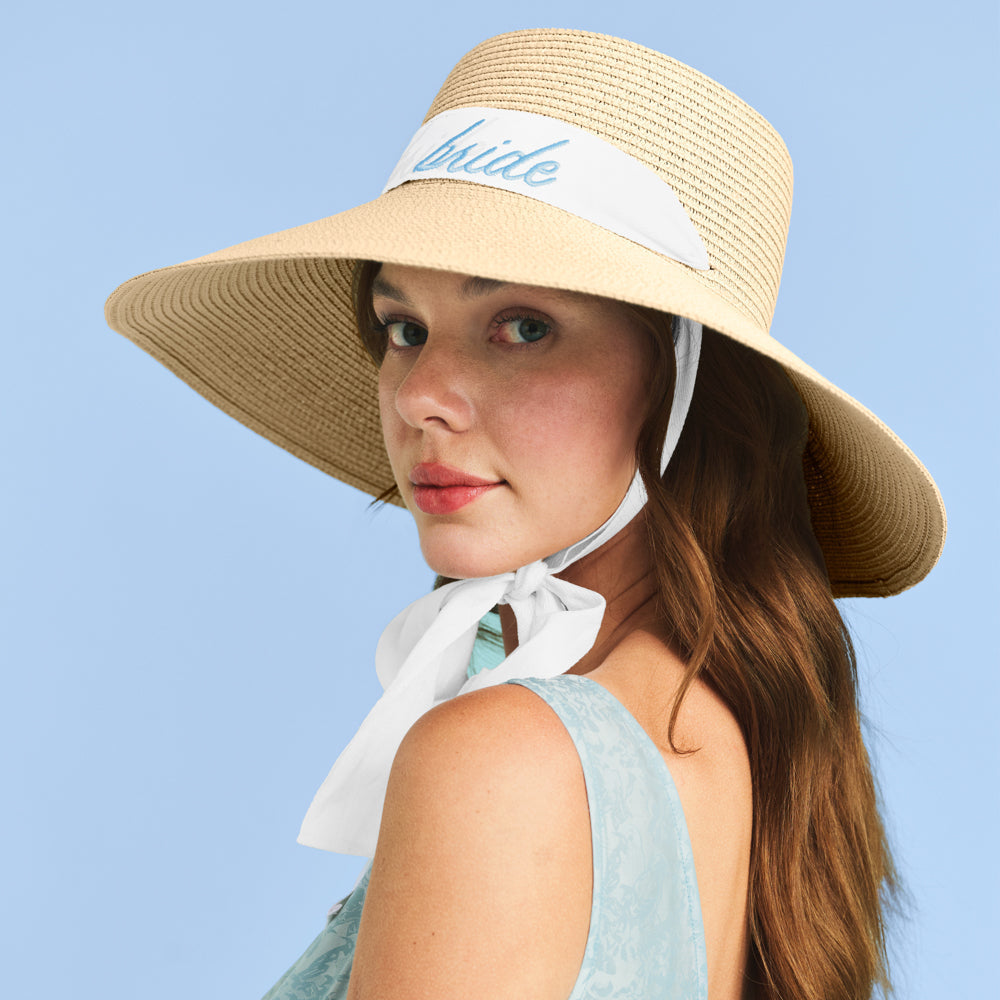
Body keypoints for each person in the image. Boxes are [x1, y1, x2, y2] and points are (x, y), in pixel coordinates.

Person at [104, 28, 945, 1000]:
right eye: (402, 327)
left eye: (522, 325)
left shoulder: (503, 760)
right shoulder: (729, 740)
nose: (421, 392)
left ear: (680, 385)